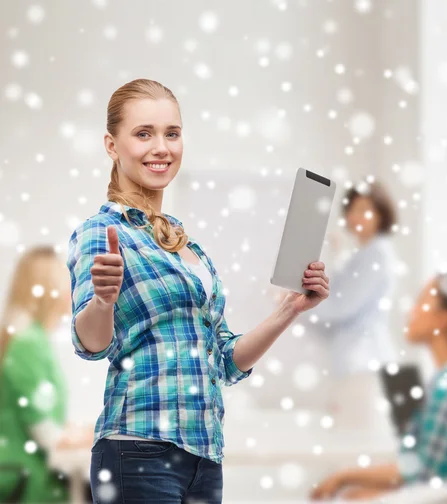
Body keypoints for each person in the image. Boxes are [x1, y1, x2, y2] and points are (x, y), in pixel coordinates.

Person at [67, 78, 330, 504]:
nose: (162, 147)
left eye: (172, 133)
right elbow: (90, 344)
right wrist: (102, 300)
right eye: (143, 133)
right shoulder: (103, 232)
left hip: (204, 458)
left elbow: (224, 361)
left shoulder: (190, 249)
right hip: (138, 450)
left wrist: (290, 310)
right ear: (112, 146)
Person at [310, 267, 447, 501]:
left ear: (443, 319)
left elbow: (432, 489)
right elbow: (422, 470)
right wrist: (346, 477)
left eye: (421, 303)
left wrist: (365, 494)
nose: (412, 312)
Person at [0, 246, 94, 503]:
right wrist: (102, 433)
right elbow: (47, 435)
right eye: (67, 283)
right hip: (26, 484)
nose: (72, 293)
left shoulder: (30, 339)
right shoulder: (27, 344)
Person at [308, 180, 399, 433]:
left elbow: (341, 306)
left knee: (355, 443)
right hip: (357, 363)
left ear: (381, 213)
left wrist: (296, 307)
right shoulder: (366, 253)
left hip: (363, 363)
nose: (356, 216)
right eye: (352, 209)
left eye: (365, 209)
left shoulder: (377, 253)